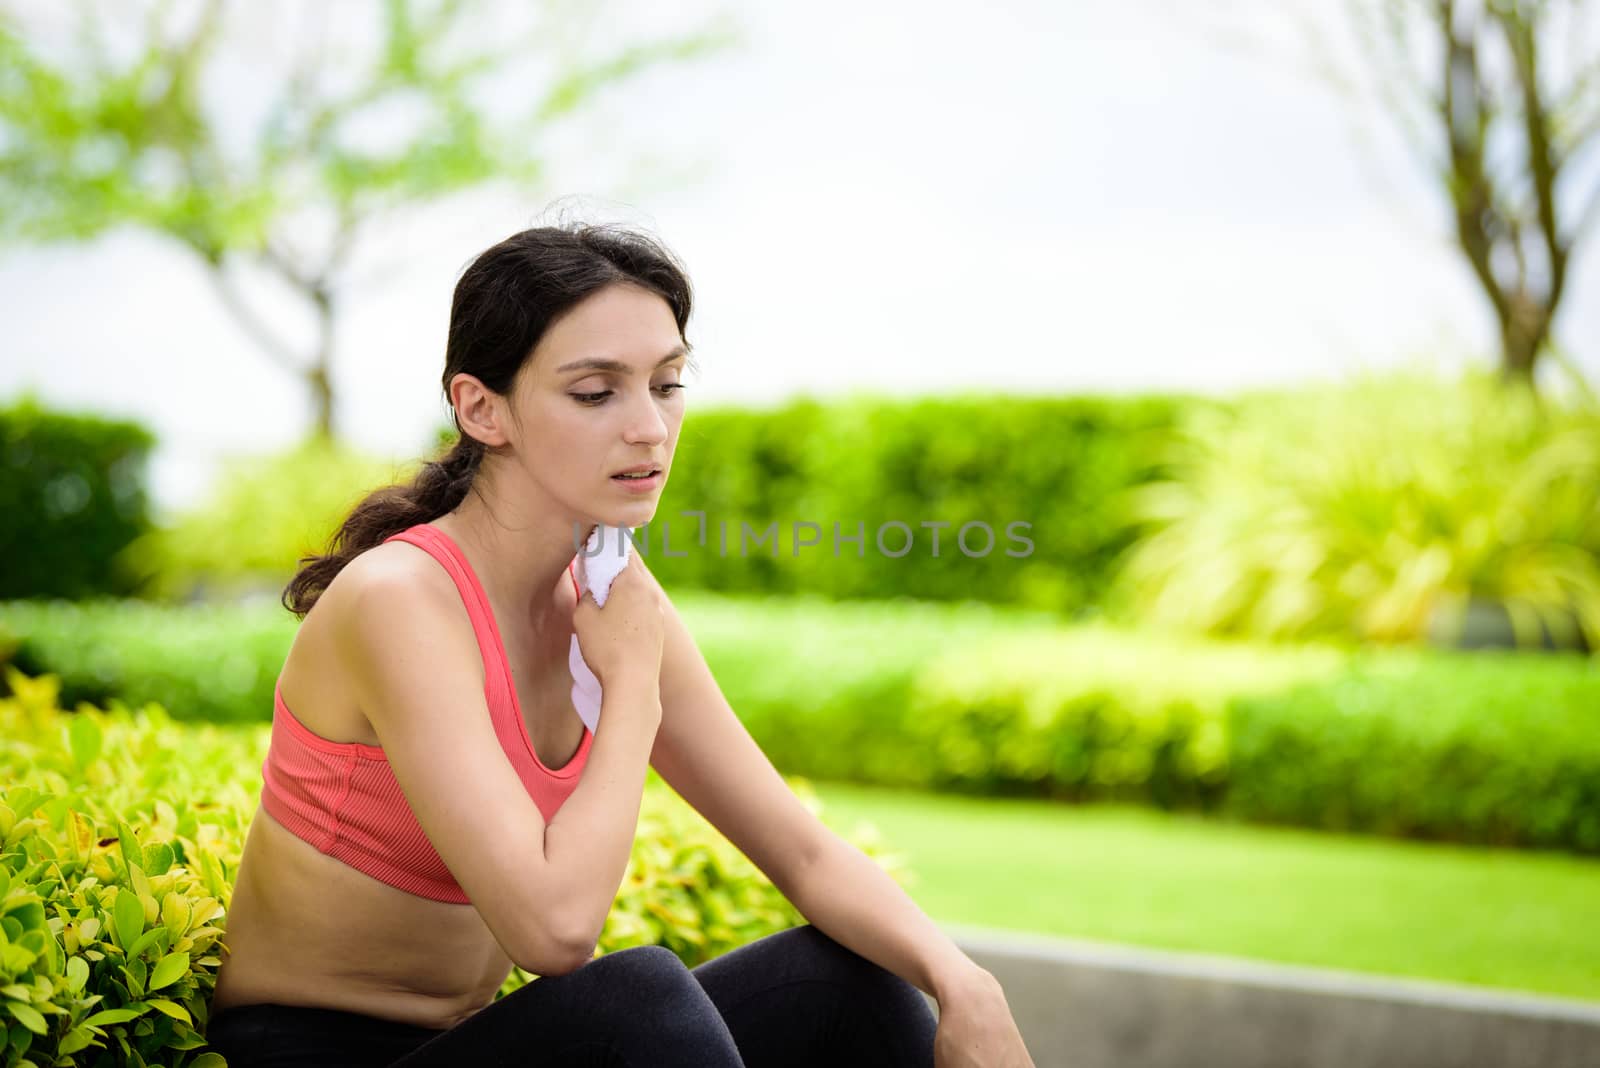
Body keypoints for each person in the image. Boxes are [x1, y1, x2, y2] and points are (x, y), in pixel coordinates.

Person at [203, 222, 1035, 1067]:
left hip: (475, 1044)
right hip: (311, 1053)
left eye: (667, 384)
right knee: (633, 1000)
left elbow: (804, 851)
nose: (649, 428)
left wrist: (965, 984)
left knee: (844, 985)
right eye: (597, 393)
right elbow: (554, 935)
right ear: (481, 408)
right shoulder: (401, 600)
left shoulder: (613, 601)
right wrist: (631, 685)